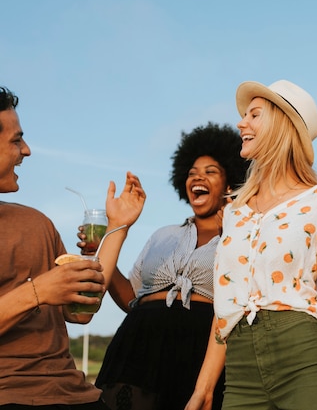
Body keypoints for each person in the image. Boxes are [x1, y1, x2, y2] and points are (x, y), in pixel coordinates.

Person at [186, 80, 317, 410]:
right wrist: (204, 387)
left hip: (303, 354)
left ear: (281, 125)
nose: (241, 123)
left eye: (254, 115)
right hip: (241, 368)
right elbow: (224, 308)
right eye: (244, 115)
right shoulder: (234, 212)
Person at [80, 123, 249, 410]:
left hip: (201, 348)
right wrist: (103, 250)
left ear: (230, 183)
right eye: (192, 173)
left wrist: (234, 224)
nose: (198, 177)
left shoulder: (241, 236)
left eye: (210, 172)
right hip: (140, 343)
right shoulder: (163, 234)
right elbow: (131, 297)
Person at [0, 86, 145, 409]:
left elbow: (80, 313)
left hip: (77, 396)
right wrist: (37, 292)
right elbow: (41, 292)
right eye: (16, 140)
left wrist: (117, 227)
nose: (27, 151)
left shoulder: (38, 223)